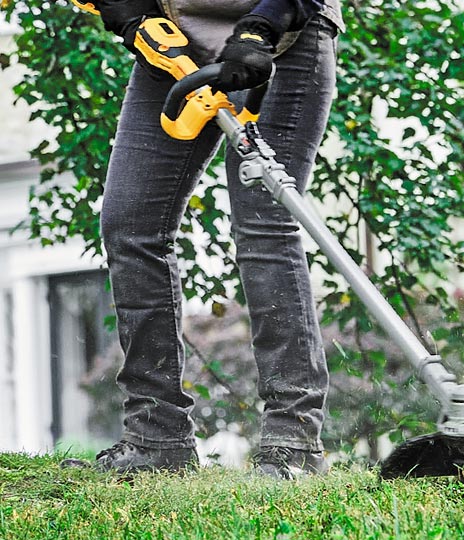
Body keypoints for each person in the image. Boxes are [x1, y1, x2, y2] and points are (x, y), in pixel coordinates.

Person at [63, 0, 343, 479]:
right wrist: (132, 16)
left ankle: (292, 441)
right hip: (177, 35)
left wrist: (259, 31)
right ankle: (157, 438)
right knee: (131, 223)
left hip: (285, 34)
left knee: (264, 225)